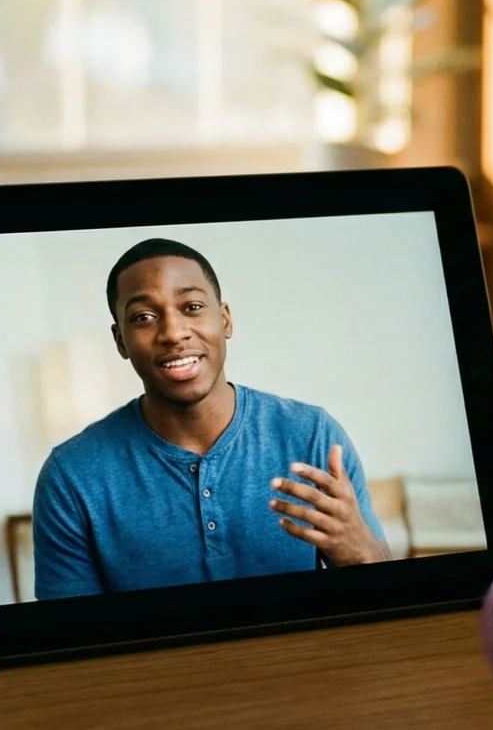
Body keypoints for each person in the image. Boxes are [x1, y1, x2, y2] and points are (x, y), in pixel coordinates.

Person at [31, 237, 390, 600]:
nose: (173, 333)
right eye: (144, 317)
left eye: (192, 306)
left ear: (225, 319)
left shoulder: (312, 435)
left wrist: (361, 553)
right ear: (121, 341)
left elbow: (388, 599)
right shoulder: (72, 476)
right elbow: (69, 640)